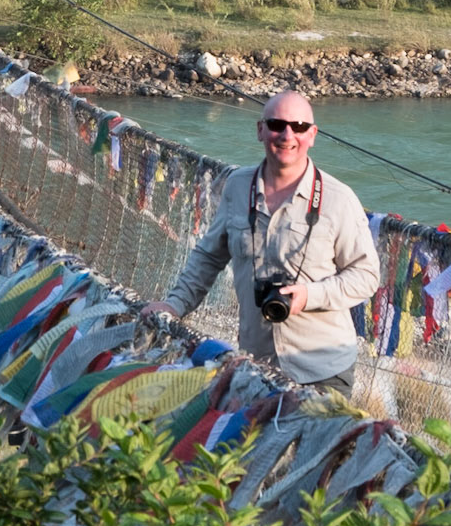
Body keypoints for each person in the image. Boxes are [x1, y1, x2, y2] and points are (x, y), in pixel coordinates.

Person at [143, 90, 379, 398]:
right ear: (260, 130)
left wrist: (309, 295)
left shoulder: (339, 199)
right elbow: (208, 257)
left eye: (299, 127)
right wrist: (174, 305)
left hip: (323, 369)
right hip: (257, 366)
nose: (287, 135)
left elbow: (367, 275)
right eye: (277, 124)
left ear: (313, 135)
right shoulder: (236, 187)